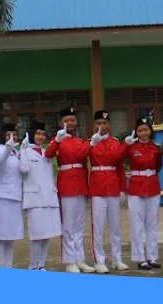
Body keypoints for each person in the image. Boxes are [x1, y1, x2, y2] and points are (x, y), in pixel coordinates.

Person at [46, 107, 93, 273]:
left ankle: (79, 259)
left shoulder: (79, 140)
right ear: (61, 123)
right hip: (66, 184)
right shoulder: (58, 140)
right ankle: (69, 261)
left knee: (79, 225)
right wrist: (57, 141)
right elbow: (48, 154)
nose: (71, 123)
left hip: (80, 182)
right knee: (68, 226)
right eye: (67, 120)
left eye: (73, 120)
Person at [88, 110, 129, 273]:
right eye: (98, 123)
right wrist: (92, 144)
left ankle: (117, 259)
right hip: (97, 186)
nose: (102, 126)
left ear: (109, 125)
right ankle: (99, 260)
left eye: (104, 123)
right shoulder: (90, 143)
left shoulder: (115, 142)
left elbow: (119, 167)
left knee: (115, 226)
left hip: (112, 185)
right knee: (97, 227)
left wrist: (122, 189)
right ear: (94, 125)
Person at [20, 122, 62, 271]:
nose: (41, 137)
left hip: (49, 197)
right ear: (31, 135)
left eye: (43, 134)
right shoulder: (25, 151)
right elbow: (24, 169)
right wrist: (23, 150)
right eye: (38, 133)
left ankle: (41, 265)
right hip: (35, 199)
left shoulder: (46, 152)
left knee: (47, 235)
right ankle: (32, 267)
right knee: (37, 236)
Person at [125, 118, 163, 270]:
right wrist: (126, 144)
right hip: (136, 187)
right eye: (140, 130)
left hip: (153, 186)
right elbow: (122, 158)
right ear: (136, 132)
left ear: (150, 131)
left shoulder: (156, 147)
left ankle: (152, 257)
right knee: (137, 224)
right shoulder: (132, 148)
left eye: (146, 129)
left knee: (152, 224)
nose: (143, 133)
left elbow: (158, 165)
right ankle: (140, 258)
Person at [0, 123, 25, 268]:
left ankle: (8, 266)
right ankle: (0, 266)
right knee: (0, 235)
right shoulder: (0, 150)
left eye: (14, 134)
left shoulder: (16, 153)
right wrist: (8, 148)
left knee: (11, 236)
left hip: (15, 197)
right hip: (0, 198)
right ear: (3, 136)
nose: (12, 137)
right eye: (9, 134)